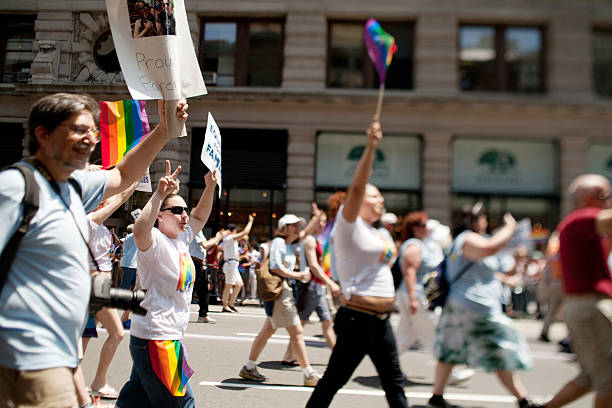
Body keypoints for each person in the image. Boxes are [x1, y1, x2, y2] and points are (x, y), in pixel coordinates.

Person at [0, 93, 188, 407]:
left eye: (93, 132)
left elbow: (124, 174)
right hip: (21, 362)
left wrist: (165, 129)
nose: (91, 139)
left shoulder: (72, 187)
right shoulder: (14, 188)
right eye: (79, 130)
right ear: (43, 135)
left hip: (58, 356)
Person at [306, 118, 408, 408]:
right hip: (357, 319)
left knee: (394, 383)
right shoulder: (348, 226)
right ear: (359, 199)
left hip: (383, 320)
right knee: (333, 381)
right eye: (375, 197)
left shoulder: (378, 233)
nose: (381, 202)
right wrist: (371, 148)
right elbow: (358, 184)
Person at [115, 162, 217, 407]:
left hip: (164, 337)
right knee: (182, 403)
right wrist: (159, 193)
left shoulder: (181, 239)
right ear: (159, 215)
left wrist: (210, 187)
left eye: (185, 210)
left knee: (134, 402)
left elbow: (200, 216)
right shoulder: (155, 242)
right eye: (177, 210)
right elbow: (140, 231)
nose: (184, 215)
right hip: (158, 339)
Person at [427, 203, 541, 408]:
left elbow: (497, 269)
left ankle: (437, 397)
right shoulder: (468, 239)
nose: (486, 223)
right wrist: (509, 228)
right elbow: (490, 249)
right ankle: (523, 399)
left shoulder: (466, 241)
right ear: (475, 220)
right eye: (484, 218)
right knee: (500, 348)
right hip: (476, 306)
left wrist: (512, 263)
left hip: (466, 304)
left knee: (451, 349)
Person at [541, 174, 612, 408]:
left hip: (584, 306)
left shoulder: (575, 223)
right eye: (605, 196)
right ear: (589, 197)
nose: (608, 201)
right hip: (591, 306)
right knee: (608, 381)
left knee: (591, 376)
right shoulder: (583, 218)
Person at [238, 214, 321, 387]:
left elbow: (305, 234)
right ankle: (308, 374)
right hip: (281, 293)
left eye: (298, 225)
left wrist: (316, 218)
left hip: (284, 291)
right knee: (297, 332)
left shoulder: (291, 245)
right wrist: (297, 274)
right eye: (293, 225)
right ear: (284, 228)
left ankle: (249, 366)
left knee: (267, 331)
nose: (297, 228)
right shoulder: (279, 242)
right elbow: (275, 267)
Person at [395, 211, 474, 385]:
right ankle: (449, 373)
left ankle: (386, 363)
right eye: (422, 225)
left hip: (422, 296)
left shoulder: (429, 244)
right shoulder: (414, 245)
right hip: (417, 296)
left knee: (405, 335)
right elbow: (409, 272)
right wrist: (413, 298)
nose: (426, 227)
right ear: (414, 228)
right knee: (434, 334)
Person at [82, 180, 140, 399]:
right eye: (104, 201)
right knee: (115, 333)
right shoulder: (89, 220)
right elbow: (120, 198)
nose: (109, 203)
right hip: (95, 285)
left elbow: (118, 198)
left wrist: (131, 186)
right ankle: (96, 382)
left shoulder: (99, 226)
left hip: (100, 285)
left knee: (85, 336)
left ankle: (86, 382)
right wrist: (132, 183)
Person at [281, 210, 341, 365]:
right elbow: (313, 265)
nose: (322, 225)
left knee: (326, 322)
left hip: (317, 286)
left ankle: (338, 358)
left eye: (324, 221)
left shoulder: (315, 239)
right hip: (311, 285)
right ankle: (288, 355)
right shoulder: (309, 240)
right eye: (320, 221)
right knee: (301, 322)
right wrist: (330, 282)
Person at [221, 216, 254, 313]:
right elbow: (245, 233)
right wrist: (250, 221)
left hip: (233, 264)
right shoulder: (230, 237)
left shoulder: (230, 239)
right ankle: (225, 305)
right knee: (228, 286)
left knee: (239, 284)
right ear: (233, 230)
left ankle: (231, 304)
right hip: (230, 264)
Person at [190, 228, 223, 323]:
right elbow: (205, 245)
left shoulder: (194, 228)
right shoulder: (195, 228)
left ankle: (203, 315)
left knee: (202, 289)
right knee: (197, 289)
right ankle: (202, 315)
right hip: (195, 261)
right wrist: (217, 237)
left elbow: (204, 247)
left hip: (198, 261)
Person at [537, 231, 564, 342]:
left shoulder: (552, 255)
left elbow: (546, 272)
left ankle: (544, 331)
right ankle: (570, 338)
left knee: (552, 310)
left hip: (554, 283)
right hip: (563, 283)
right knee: (567, 309)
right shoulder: (563, 253)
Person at [119, 223, 138, 329]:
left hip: (132, 265)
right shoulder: (131, 236)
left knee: (135, 290)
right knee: (124, 288)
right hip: (129, 265)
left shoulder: (129, 237)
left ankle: (125, 315)